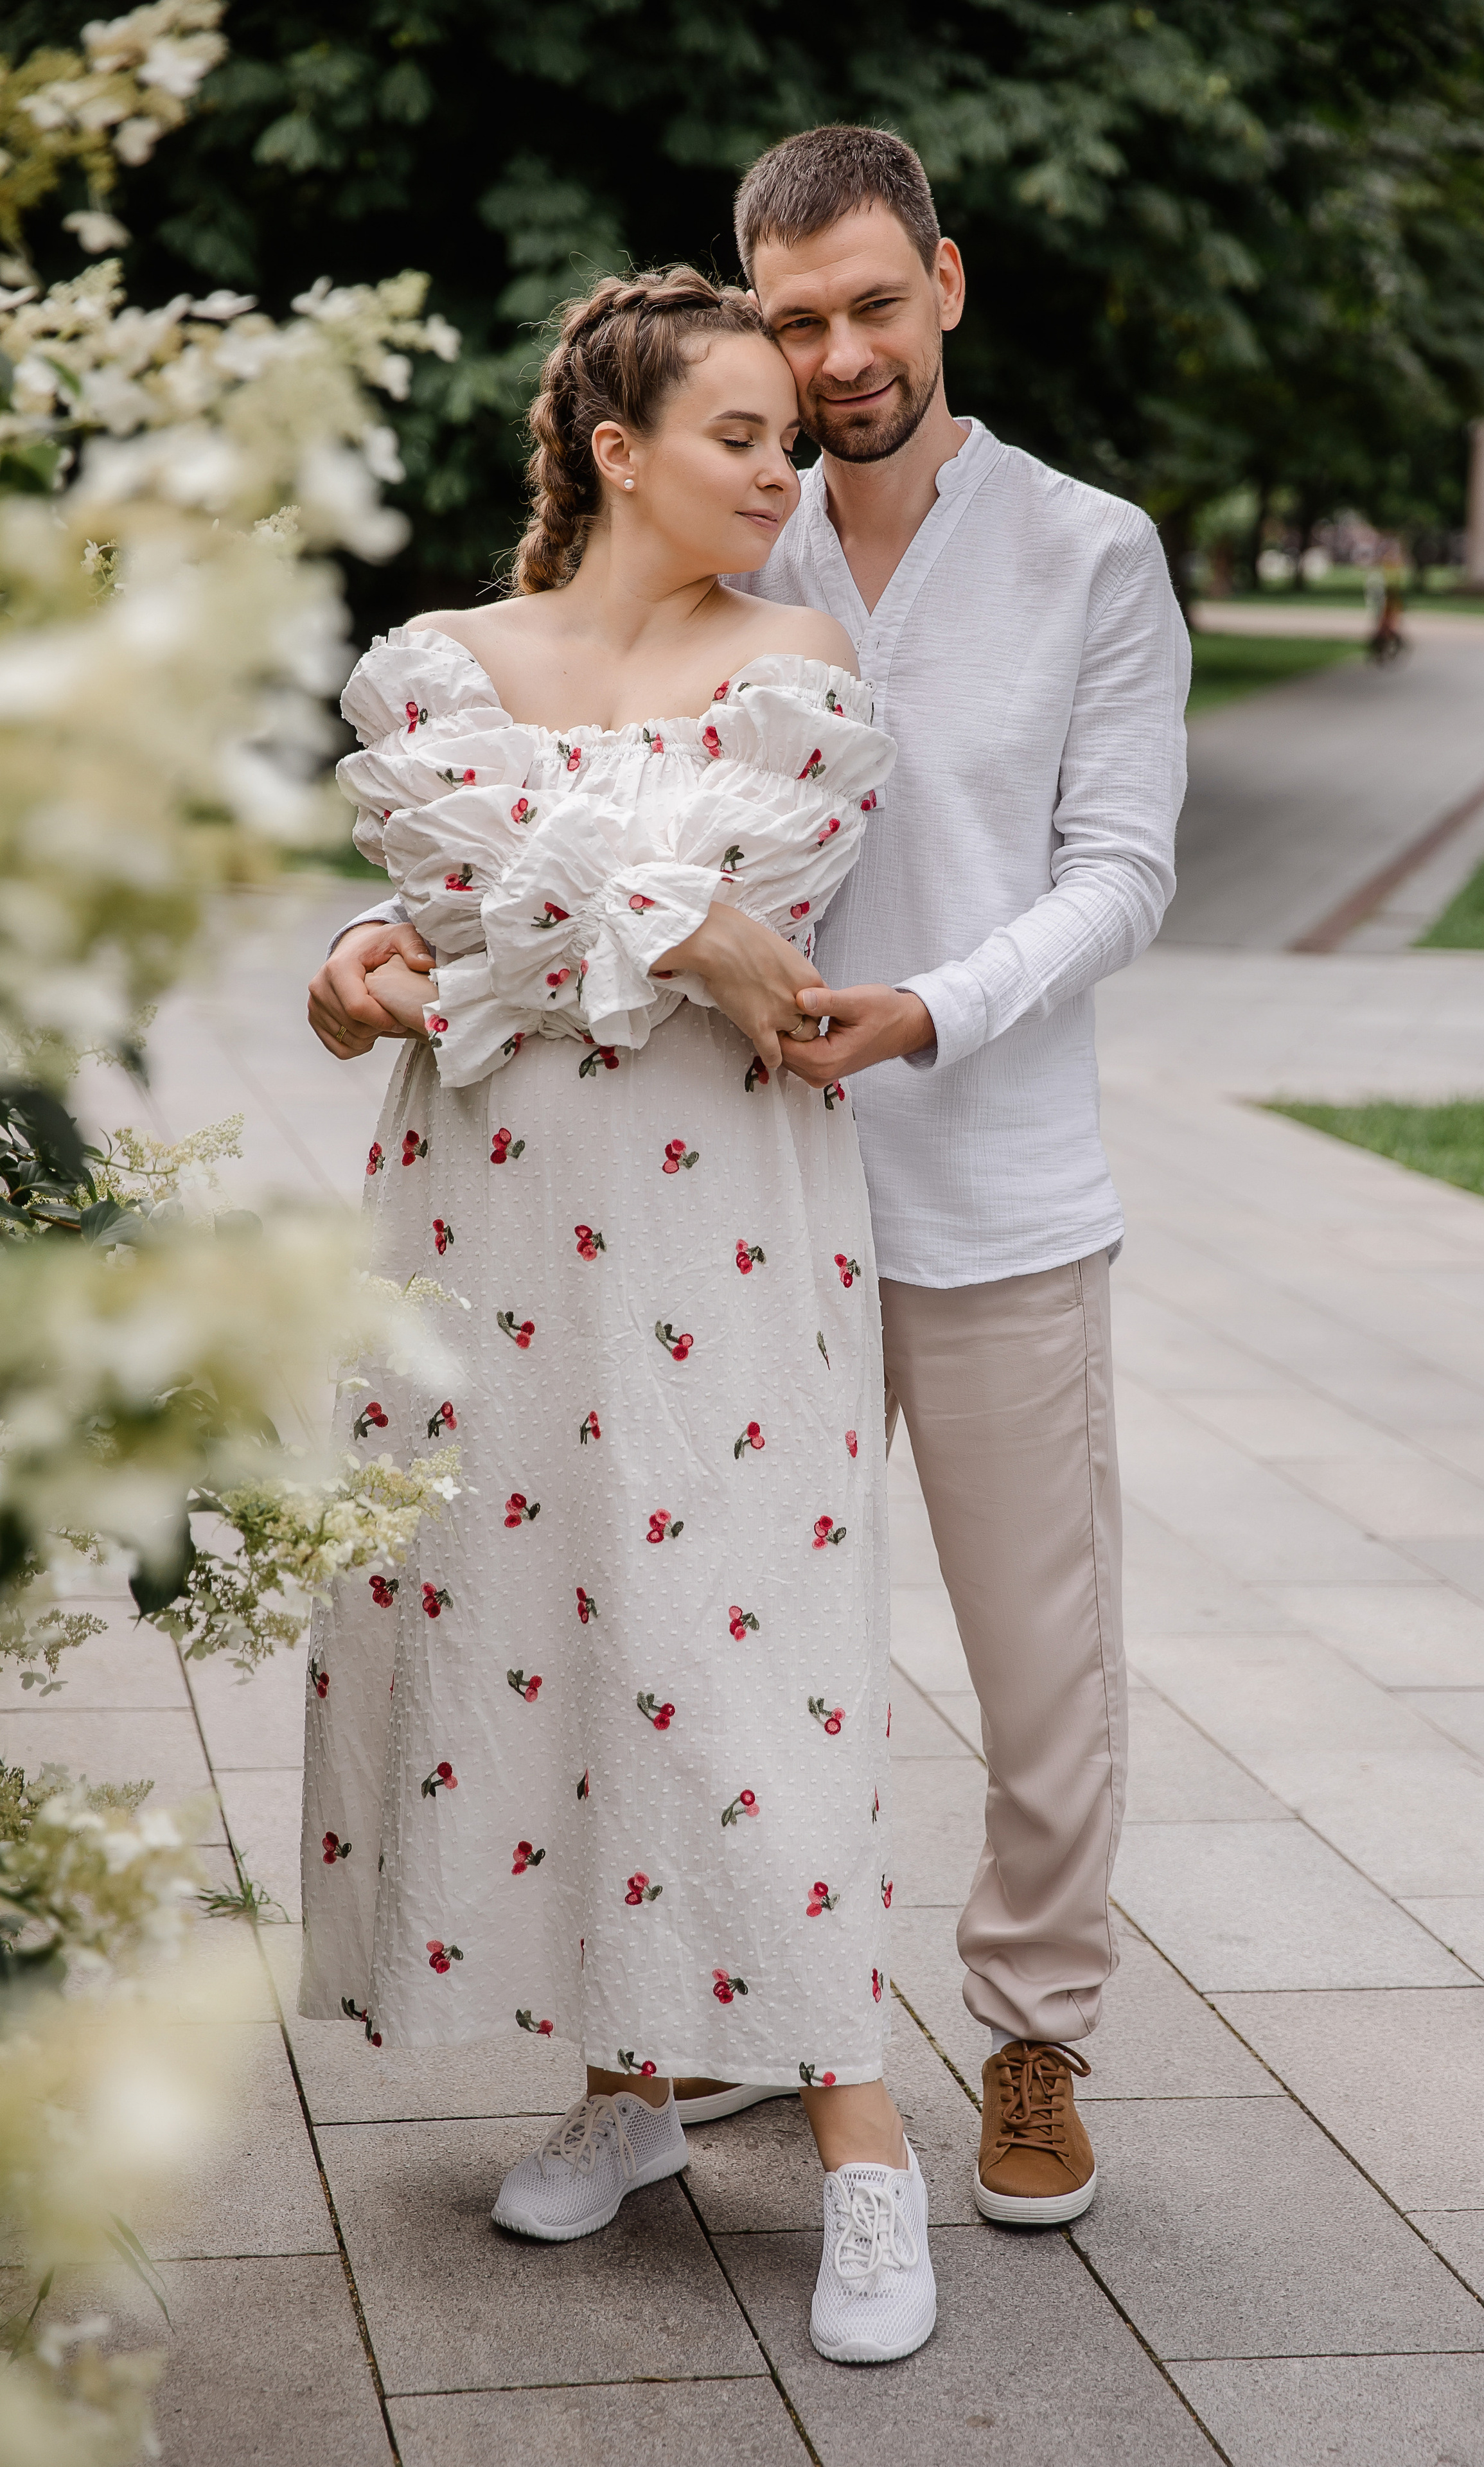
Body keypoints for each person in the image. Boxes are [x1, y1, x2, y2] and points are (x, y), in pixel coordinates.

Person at [312, 127, 1189, 2234]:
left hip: (971, 1174)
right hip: (688, 1202)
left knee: (1034, 1663)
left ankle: (1033, 2032)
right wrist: (368, 961)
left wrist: (933, 1010)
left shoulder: (1087, 553)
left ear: (948, 287)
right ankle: (692, 2016)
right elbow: (497, 842)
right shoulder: (723, 529)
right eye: (794, 327)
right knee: (689, 1623)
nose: (837, 360)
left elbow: (1125, 870)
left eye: (872, 307)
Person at [301, 268, 937, 2367]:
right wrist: (675, 923)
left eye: (791, 436)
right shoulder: (434, 671)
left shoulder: (801, 668)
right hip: (480, 1238)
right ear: (615, 450)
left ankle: (864, 2147)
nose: (789, 464)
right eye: (744, 435)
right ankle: (629, 2089)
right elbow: (487, 875)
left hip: (726, 1249)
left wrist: (538, 908)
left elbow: (744, 877)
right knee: (541, 1623)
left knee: (747, 1656)